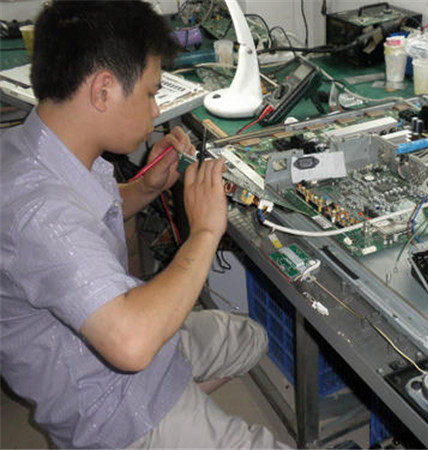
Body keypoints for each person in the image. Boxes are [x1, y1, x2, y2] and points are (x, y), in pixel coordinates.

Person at [0, 1, 290, 448]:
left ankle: (181, 405)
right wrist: (205, 232)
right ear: (103, 91)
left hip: (119, 332)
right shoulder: (40, 213)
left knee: (249, 339)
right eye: (151, 93)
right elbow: (132, 346)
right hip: (108, 405)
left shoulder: (35, 147)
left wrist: (144, 188)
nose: (155, 111)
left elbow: (83, 220)